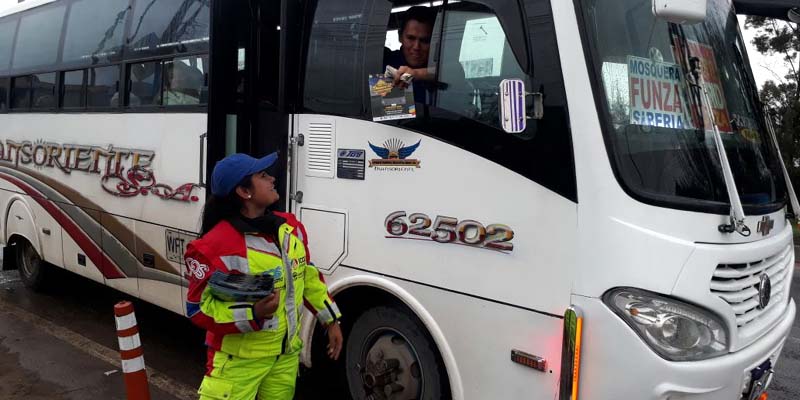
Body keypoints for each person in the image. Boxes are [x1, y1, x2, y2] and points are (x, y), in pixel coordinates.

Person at [184, 152, 343, 400]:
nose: (272, 179)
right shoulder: (213, 246)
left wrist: (331, 320)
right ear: (244, 192)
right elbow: (198, 309)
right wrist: (253, 313)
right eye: (263, 175)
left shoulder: (290, 227)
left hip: (285, 358)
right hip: (237, 365)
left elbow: (308, 277)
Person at [384, 6, 437, 103]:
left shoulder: (440, 65)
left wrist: (417, 74)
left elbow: (453, 73)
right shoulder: (383, 60)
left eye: (425, 41)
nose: (416, 47)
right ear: (400, 37)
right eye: (411, 38)